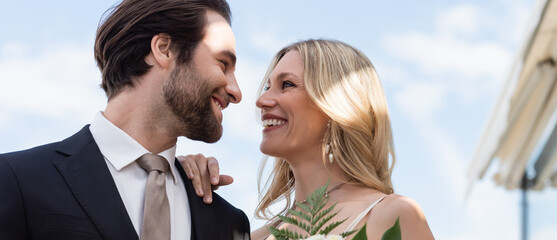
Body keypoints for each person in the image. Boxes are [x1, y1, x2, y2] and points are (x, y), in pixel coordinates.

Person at [0, 0, 250, 239]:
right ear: (164, 49)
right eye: (223, 63)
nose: (236, 92)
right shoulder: (15, 180)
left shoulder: (228, 222)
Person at [180, 39, 435, 240]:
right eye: (268, 87)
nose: (261, 100)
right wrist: (178, 184)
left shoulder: (394, 215)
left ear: (337, 103)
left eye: (287, 84)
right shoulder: (253, 236)